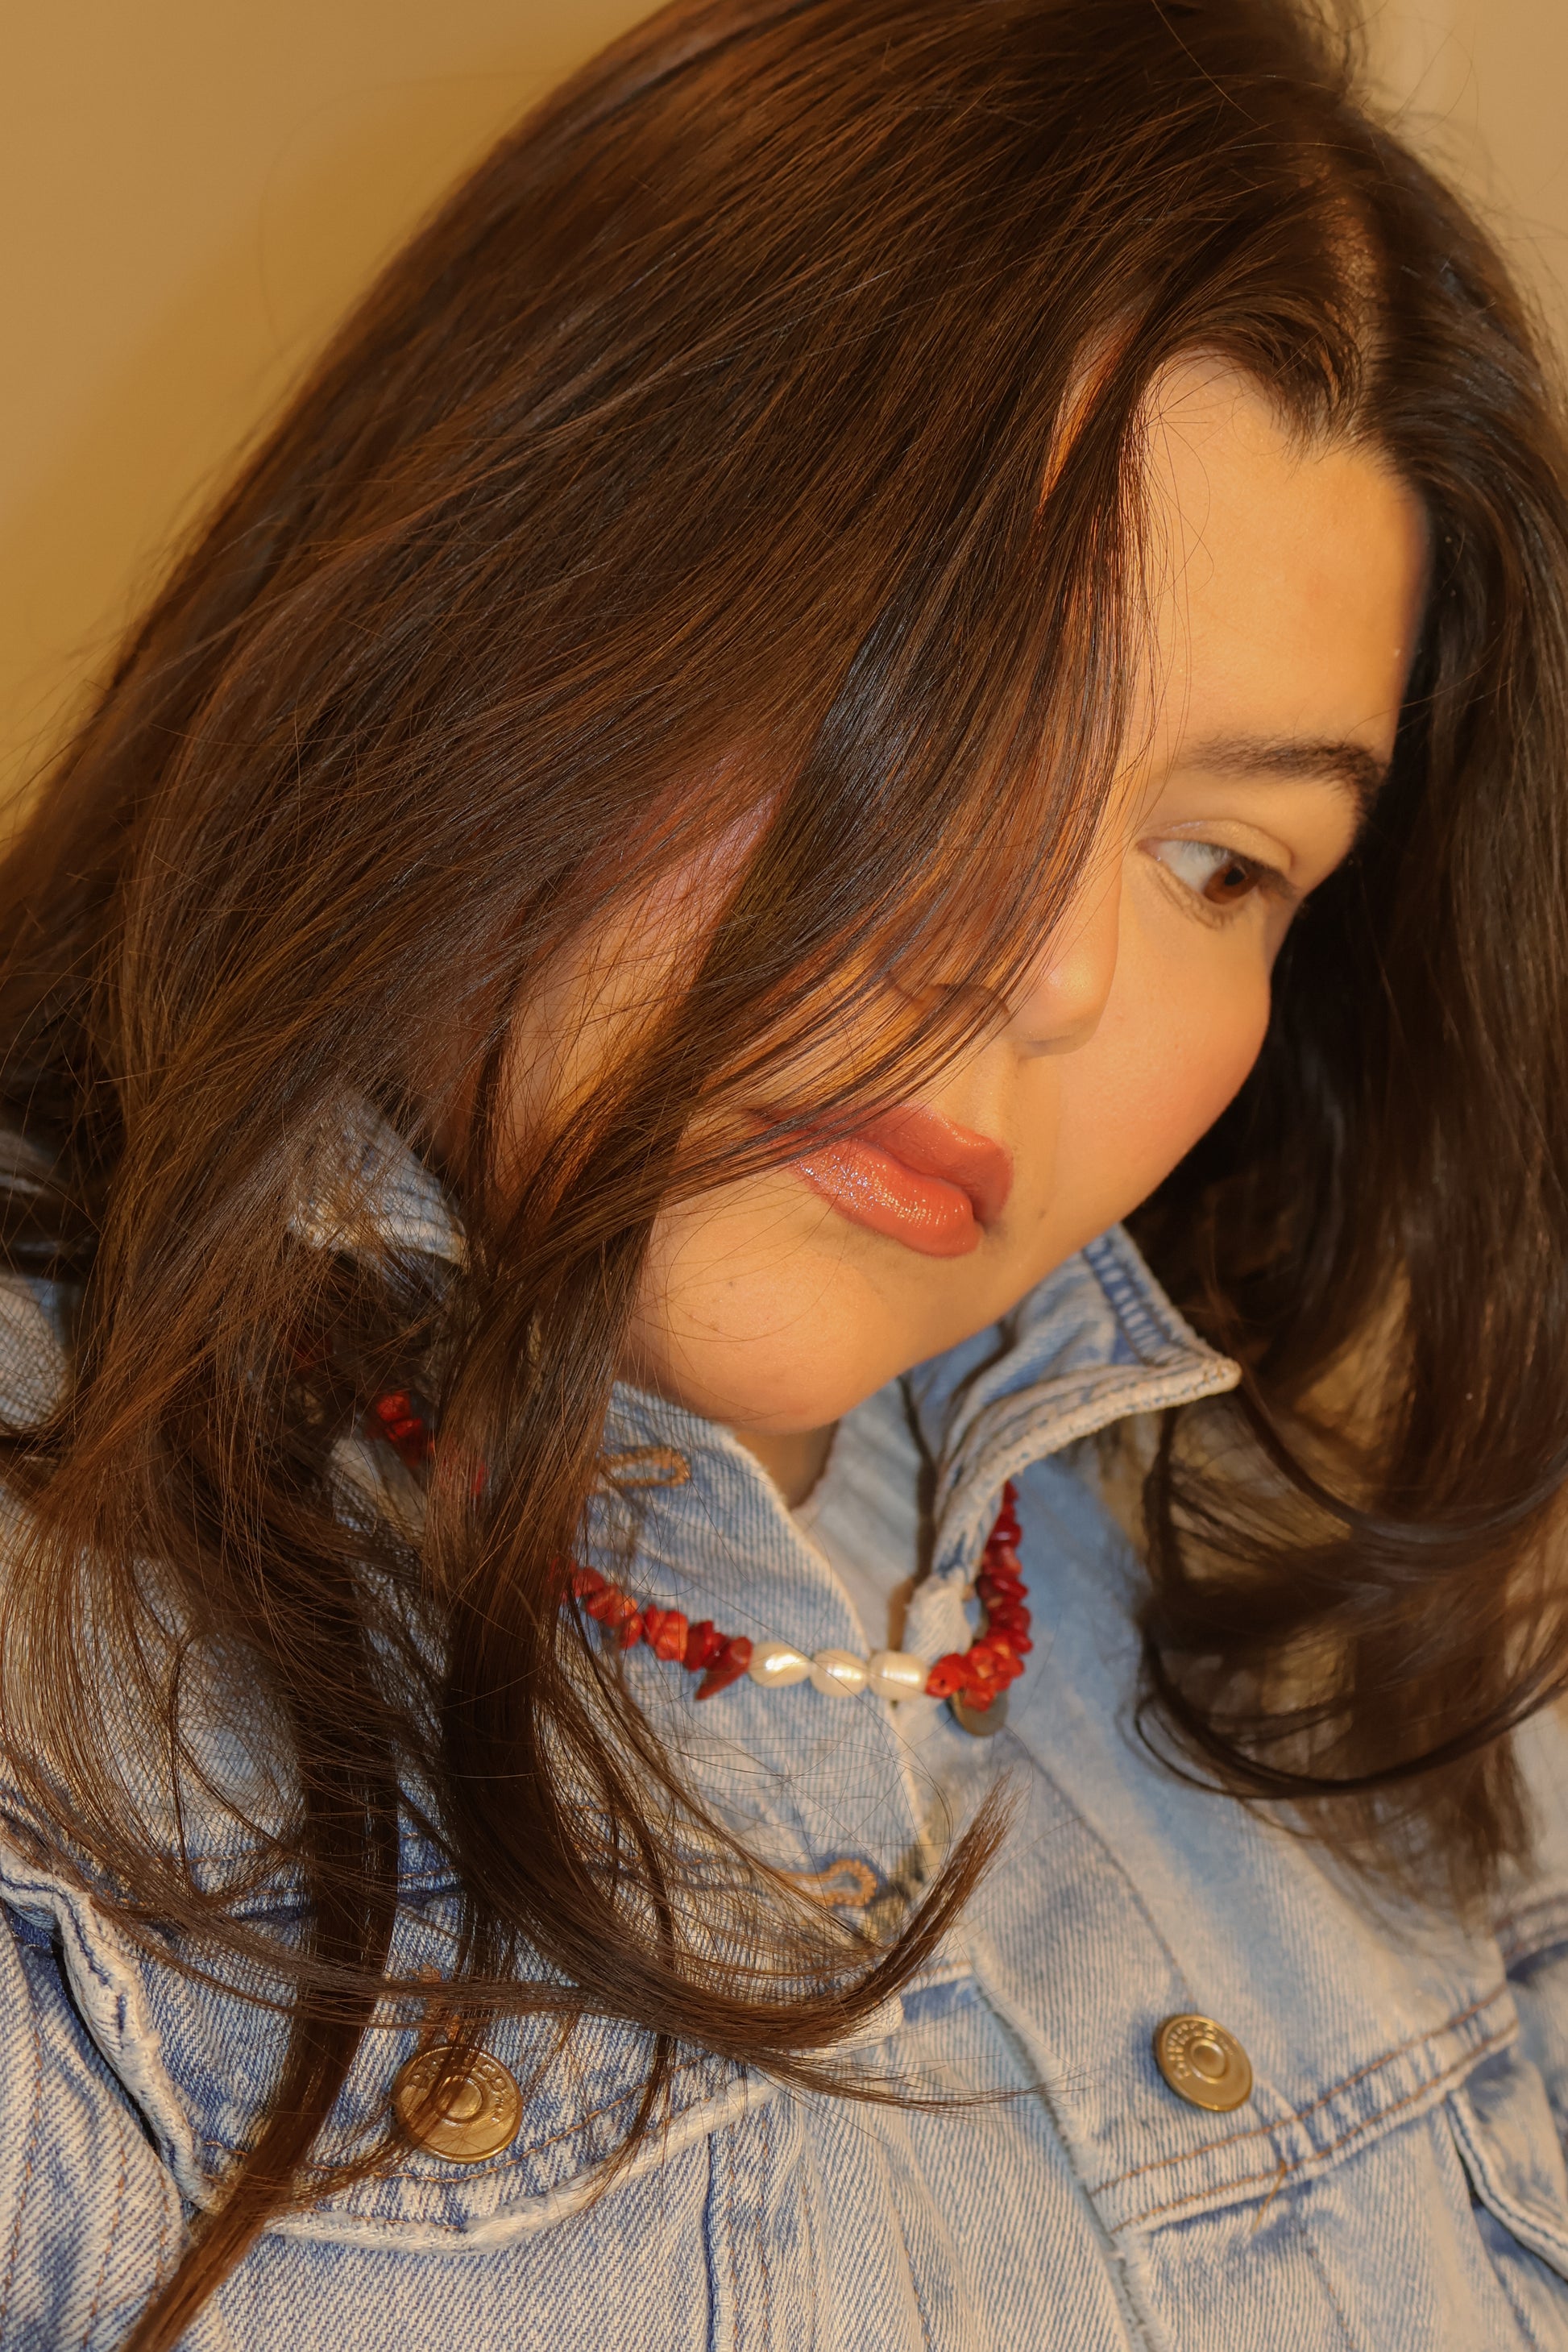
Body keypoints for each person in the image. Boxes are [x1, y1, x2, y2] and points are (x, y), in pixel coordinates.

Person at [5, 0, 1568, 2342]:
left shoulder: (1371, 1675)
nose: (1048, 977)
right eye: (942, 705)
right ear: (489, 591)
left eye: (1220, 862)